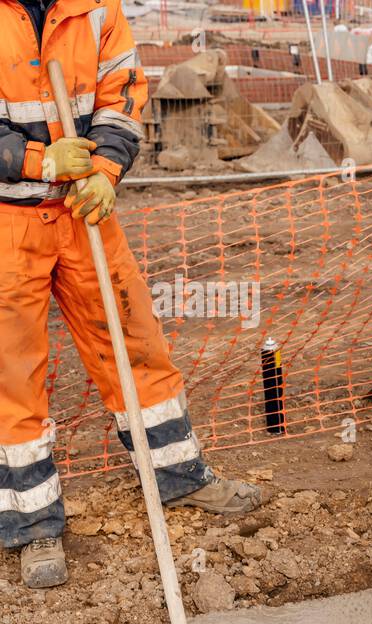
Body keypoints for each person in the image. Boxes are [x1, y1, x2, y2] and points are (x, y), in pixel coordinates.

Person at [0, 0, 262, 590]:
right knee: (13, 372)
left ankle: (178, 475)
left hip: (84, 208)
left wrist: (105, 170)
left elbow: (122, 97)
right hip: (9, 221)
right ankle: (31, 522)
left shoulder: (96, 9)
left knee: (136, 339)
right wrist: (39, 160)